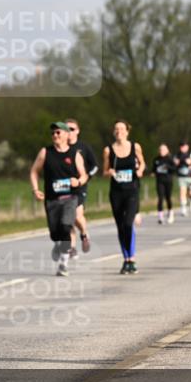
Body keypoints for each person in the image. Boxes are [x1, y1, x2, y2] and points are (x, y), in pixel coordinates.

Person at [29, 122, 88, 277]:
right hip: (52, 199)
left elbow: (84, 175)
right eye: (53, 133)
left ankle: (64, 263)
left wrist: (79, 181)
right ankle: (58, 244)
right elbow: (34, 171)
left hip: (70, 197)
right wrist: (35, 189)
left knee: (66, 226)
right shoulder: (45, 152)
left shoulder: (75, 154)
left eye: (58, 132)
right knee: (55, 233)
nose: (55, 135)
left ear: (67, 135)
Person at [102, 120, 146, 273]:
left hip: (132, 191)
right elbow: (105, 171)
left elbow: (142, 163)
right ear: (114, 132)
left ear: (127, 131)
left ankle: (132, 258)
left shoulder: (135, 147)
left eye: (122, 129)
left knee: (128, 223)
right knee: (120, 226)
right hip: (116, 193)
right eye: (116, 129)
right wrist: (110, 173)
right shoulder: (108, 150)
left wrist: (140, 170)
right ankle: (126, 259)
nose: (119, 131)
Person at [65, 118, 97, 257]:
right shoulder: (61, 147)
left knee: (77, 216)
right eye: (66, 129)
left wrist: (86, 177)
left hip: (80, 186)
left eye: (72, 129)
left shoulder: (84, 147)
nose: (69, 132)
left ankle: (84, 234)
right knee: (68, 218)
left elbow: (95, 166)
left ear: (77, 131)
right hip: (65, 186)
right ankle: (72, 247)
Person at [152, 143, 175, 224]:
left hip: (168, 180)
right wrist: (153, 173)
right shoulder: (156, 159)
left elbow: (174, 168)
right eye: (160, 150)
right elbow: (153, 170)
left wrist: (168, 167)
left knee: (168, 197)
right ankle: (160, 217)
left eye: (163, 150)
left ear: (167, 150)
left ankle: (170, 213)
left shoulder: (170, 159)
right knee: (160, 198)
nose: (162, 151)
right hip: (159, 181)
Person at [173, 141, 191, 218]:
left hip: (190, 176)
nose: (183, 148)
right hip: (181, 176)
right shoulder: (177, 154)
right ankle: (183, 208)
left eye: (184, 146)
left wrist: (189, 162)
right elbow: (176, 162)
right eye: (181, 146)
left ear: (187, 147)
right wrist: (184, 161)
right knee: (182, 192)